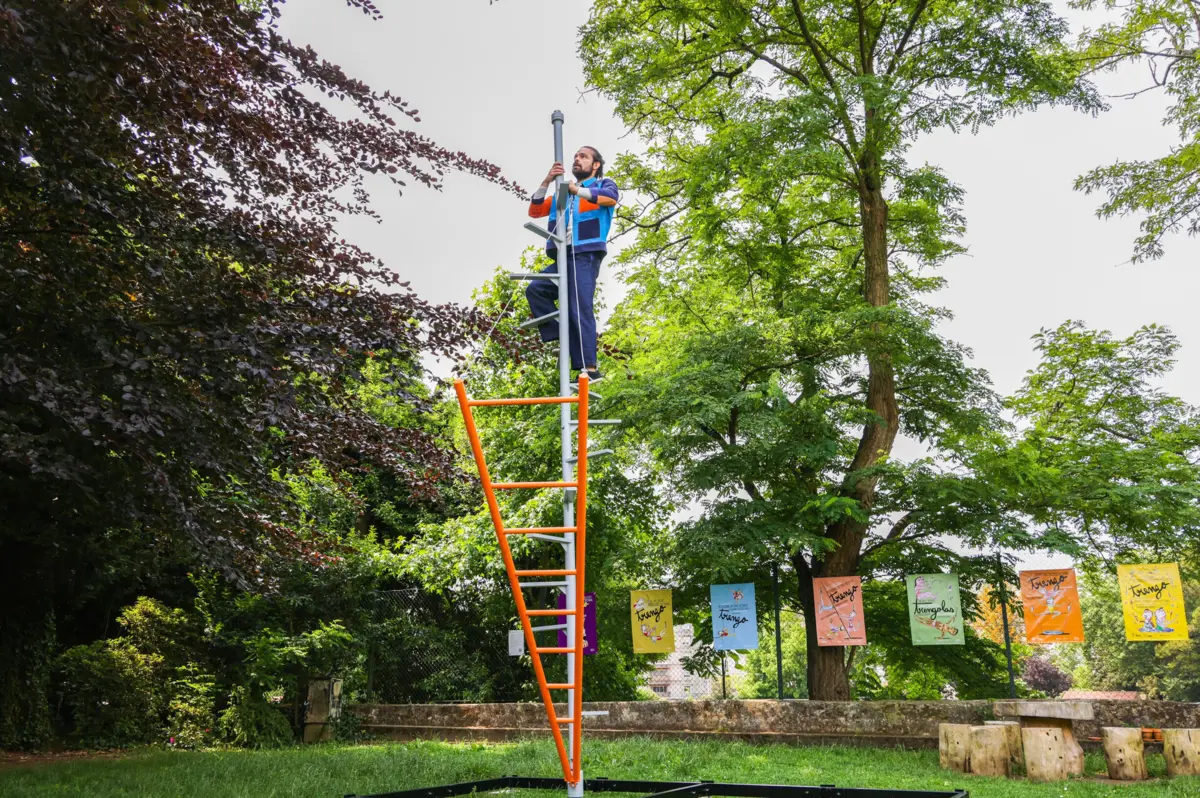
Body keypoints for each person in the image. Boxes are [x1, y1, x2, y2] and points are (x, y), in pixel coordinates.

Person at [526, 146, 618, 382]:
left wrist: (578, 191)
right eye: (576, 156)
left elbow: (611, 199)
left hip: (585, 254)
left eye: (583, 157)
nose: (577, 159)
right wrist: (547, 180)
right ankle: (561, 333)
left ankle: (589, 367)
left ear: (595, 165)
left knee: (580, 307)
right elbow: (535, 210)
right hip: (561, 255)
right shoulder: (561, 193)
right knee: (535, 289)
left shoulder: (601, 185)